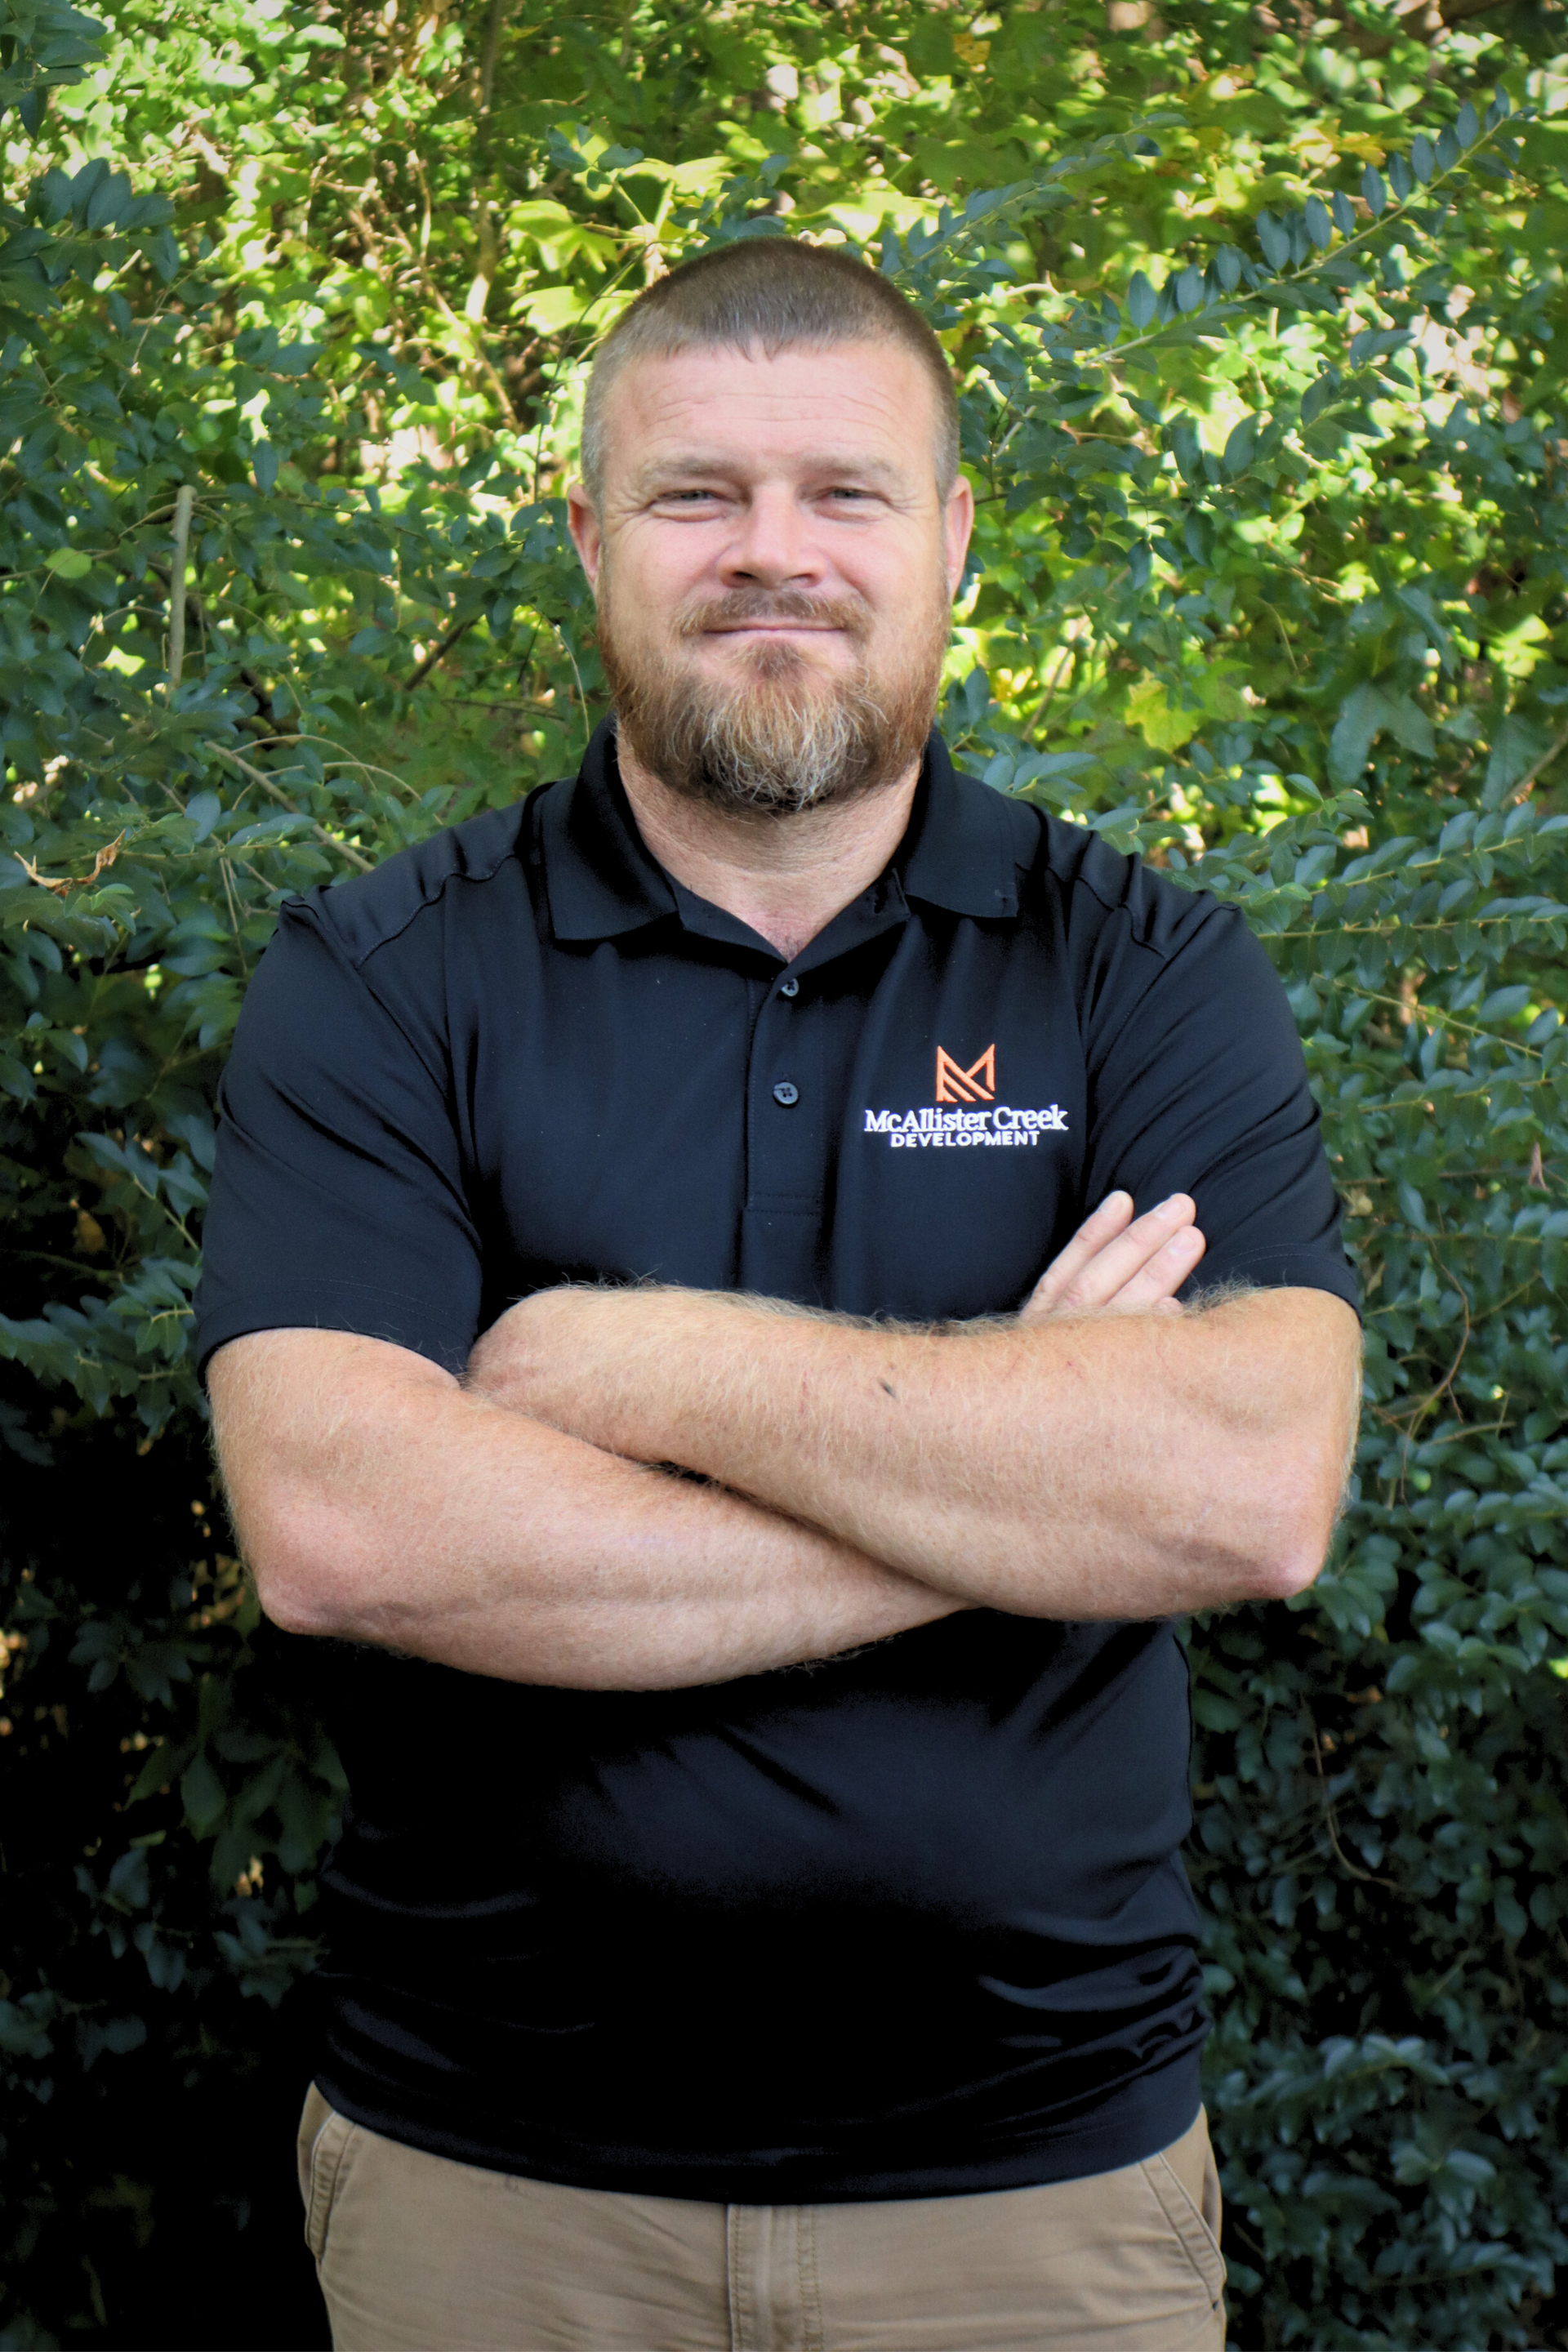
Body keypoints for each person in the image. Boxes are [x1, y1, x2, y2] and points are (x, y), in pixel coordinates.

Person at [198, 237, 1361, 2352]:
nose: (774, 554)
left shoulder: (1143, 972)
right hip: (491, 2192)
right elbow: (348, 1528)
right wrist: (1020, 1457)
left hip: (1034, 2208)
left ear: (951, 541)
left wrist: (617, 1359)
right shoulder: (385, 976)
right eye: (696, 494)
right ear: (590, 539)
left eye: (842, 492)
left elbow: (1244, 1491)